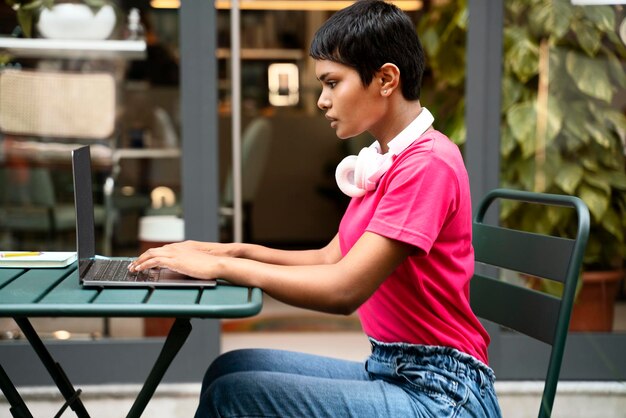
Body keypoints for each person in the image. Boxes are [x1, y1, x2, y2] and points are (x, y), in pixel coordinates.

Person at [129, 1, 502, 416]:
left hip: (442, 393)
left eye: (332, 83)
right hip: (394, 370)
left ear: (385, 79)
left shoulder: (426, 164)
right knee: (229, 369)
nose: (322, 100)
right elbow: (330, 257)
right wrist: (227, 251)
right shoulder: (385, 160)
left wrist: (223, 270)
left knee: (234, 395)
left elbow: (344, 290)